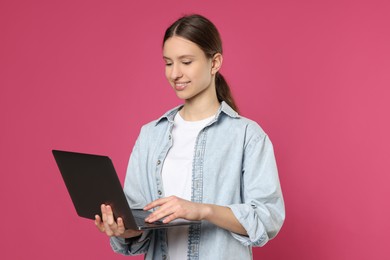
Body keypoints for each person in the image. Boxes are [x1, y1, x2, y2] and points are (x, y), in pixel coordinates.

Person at [95, 14, 285, 260]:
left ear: (214, 62)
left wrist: (202, 210)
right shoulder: (150, 135)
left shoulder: (247, 136)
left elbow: (267, 217)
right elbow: (138, 219)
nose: (175, 74)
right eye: (168, 63)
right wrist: (122, 229)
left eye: (186, 62)